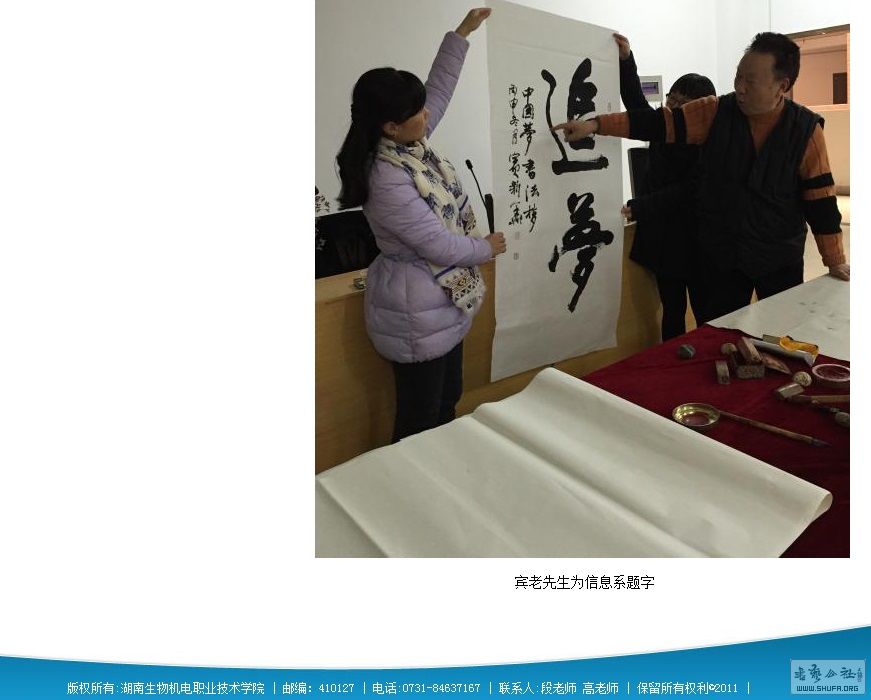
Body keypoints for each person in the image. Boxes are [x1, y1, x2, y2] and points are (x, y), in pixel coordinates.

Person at [554, 32, 848, 325]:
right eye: (738, 76)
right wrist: (595, 124)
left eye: (750, 81)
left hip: (779, 258)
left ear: (782, 86)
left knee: (779, 331)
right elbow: (657, 122)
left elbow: (820, 201)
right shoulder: (715, 111)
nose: (740, 87)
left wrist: (834, 260)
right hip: (721, 258)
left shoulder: (805, 130)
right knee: (719, 333)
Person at [336, 8, 507, 443]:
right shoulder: (385, 176)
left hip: (442, 301)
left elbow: (439, 90)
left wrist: (463, 33)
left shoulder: (409, 145)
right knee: (419, 421)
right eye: (417, 111)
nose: (427, 115)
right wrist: (486, 247)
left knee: (447, 401)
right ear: (391, 126)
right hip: (415, 313)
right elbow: (438, 245)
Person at [614, 33, 716, 340]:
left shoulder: (709, 142)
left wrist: (640, 206)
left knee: (705, 311)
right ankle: (674, 362)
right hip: (665, 239)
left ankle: (707, 358)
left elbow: (688, 190)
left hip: (698, 239)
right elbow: (636, 104)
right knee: (672, 309)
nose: (672, 107)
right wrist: (626, 59)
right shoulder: (664, 127)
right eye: (671, 99)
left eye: (682, 104)